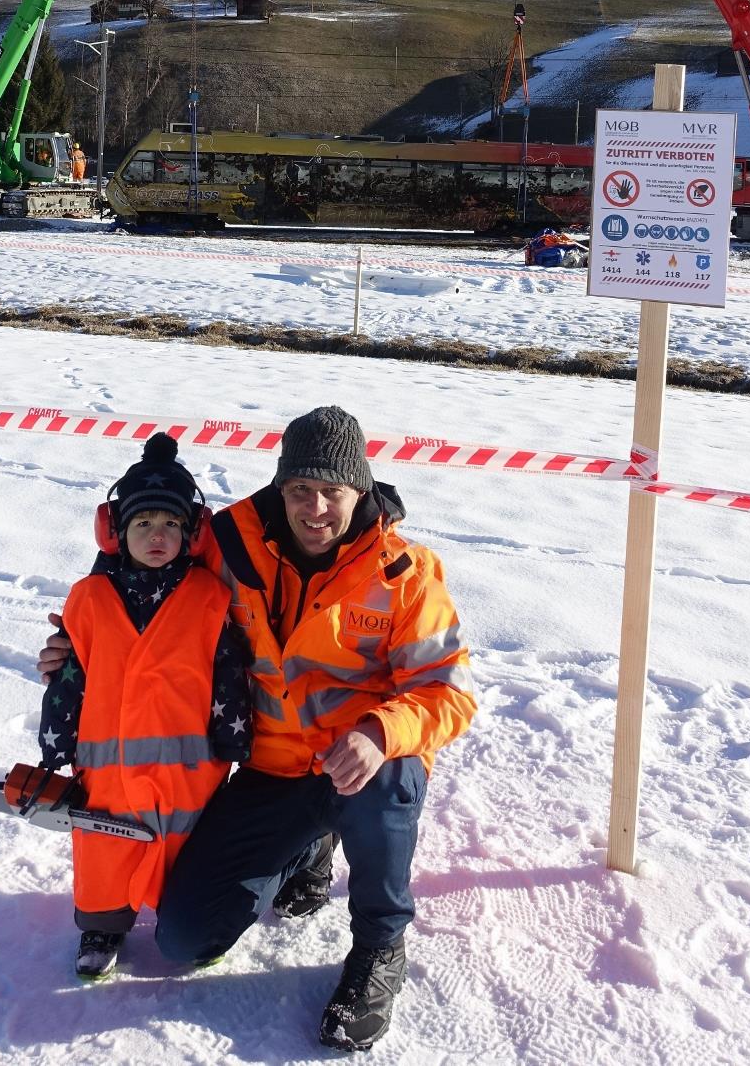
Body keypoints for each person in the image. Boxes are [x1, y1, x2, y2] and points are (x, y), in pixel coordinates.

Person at [41, 403, 475, 1050]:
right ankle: (309, 845)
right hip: (272, 769)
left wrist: (380, 732)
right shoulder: (231, 544)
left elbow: (447, 691)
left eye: (333, 490)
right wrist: (80, 645)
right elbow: (146, 568)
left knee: (388, 780)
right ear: (280, 486)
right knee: (185, 940)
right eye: (300, 488)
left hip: (362, 765)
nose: (315, 508)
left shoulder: (404, 573)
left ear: (360, 490)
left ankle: (380, 945)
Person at [39, 433, 250, 981]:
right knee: (103, 849)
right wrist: (56, 738)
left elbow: (226, 671)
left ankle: (197, 923)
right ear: (116, 532)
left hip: (189, 771)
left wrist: (233, 737)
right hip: (106, 771)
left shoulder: (209, 596)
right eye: (143, 524)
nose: (158, 536)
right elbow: (71, 674)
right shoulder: (89, 598)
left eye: (171, 524)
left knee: (186, 848)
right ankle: (101, 926)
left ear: (191, 532)